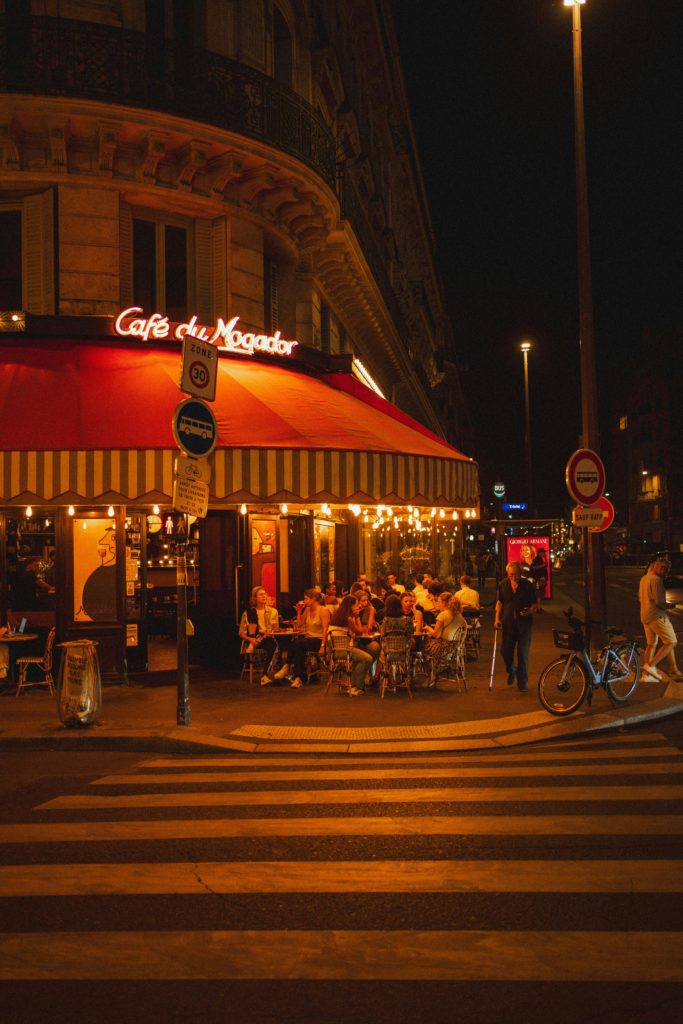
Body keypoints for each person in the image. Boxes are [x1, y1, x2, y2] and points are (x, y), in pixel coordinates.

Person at [494, 561, 537, 692]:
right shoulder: (503, 584)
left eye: (517, 574)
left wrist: (530, 611)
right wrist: (497, 619)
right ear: (508, 574)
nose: (514, 577)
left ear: (520, 573)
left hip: (524, 625)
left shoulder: (527, 585)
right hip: (508, 624)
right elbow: (500, 603)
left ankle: (522, 683)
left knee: (522, 654)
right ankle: (512, 669)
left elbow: (535, 604)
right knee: (505, 651)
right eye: (511, 574)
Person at [639, 557, 683, 682]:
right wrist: (670, 605)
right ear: (657, 567)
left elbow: (640, 597)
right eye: (664, 569)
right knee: (671, 642)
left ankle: (647, 676)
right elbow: (660, 603)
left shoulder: (644, 579)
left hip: (645, 615)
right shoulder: (656, 580)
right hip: (657, 616)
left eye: (667, 570)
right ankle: (650, 666)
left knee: (651, 644)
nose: (666, 572)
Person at [281, 589, 330, 688]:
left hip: (319, 640)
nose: (304, 601)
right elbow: (299, 625)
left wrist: (322, 646)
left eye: (306, 599)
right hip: (307, 640)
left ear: (314, 599)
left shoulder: (323, 610)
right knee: (299, 648)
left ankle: (287, 665)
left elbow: (326, 629)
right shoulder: (307, 610)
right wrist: (299, 611)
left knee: (297, 642)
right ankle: (298, 678)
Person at [238, 586, 287, 686]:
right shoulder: (248, 613)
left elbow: (275, 629)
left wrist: (270, 630)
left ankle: (265, 675)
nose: (264, 596)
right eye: (261, 594)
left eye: (265, 594)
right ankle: (268, 675)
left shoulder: (273, 611)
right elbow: (241, 633)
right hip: (252, 638)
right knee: (275, 645)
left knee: (274, 644)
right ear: (254, 598)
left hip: (267, 638)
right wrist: (250, 639)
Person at [327, 595, 375, 695]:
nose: (358, 607)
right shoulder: (348, 619)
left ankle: (353, 683)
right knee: (367, 658)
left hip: (333, 651)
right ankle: (355, 686)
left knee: (360, 658)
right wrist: (357, 617)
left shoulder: (337, 616)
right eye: (356, 605)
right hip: (344, 651)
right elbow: (360, 631)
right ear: (351, 606)